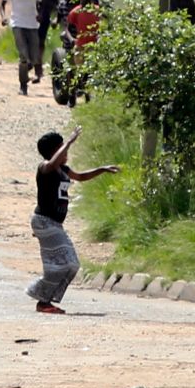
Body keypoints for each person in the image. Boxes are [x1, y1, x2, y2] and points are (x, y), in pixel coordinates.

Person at [27, 128, 119, 315]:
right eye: (62, 149)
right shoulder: (45, 167)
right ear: (54, 151)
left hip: (54, 224)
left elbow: (81, 176)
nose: (66, 153)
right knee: (60, 264)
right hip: (44, 221)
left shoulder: (63, 170)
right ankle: (42, 300)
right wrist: (69, 141)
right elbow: (51, 163)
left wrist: (102, 169)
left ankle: (46, 300)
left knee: (72, 265)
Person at [0, 0, 46, 96]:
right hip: (17, 23)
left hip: (32, 24)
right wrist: (3, 17)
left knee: (34, 56)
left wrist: (41, 14)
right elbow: (2, 4)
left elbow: (43, 1)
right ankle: (23, 85)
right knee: (23, 56)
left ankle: (28, 69)